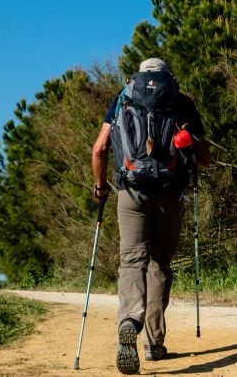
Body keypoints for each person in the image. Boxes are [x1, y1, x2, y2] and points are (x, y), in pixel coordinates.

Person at [91, 58, 211, 374]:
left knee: (131, 261)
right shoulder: (181, 101)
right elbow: (204, 158)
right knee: (160, 263)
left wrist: (101, 186)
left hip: (131, 191)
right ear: (166, 74)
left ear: (141, 74)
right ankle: (154, 343)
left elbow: (100, 149)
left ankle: (129, 319)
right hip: (170, 193)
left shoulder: (123, 97)